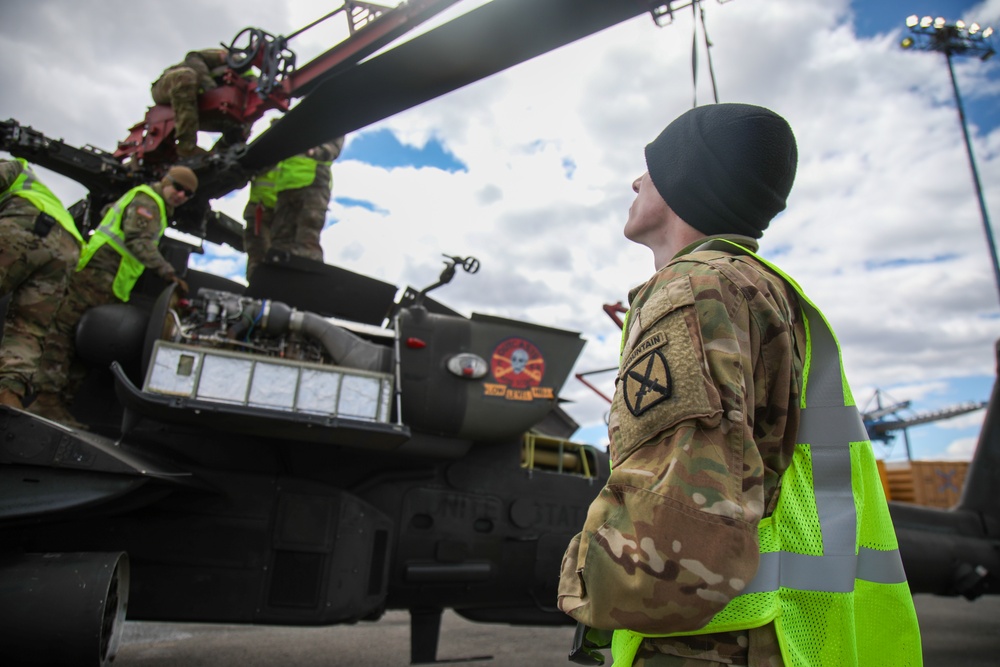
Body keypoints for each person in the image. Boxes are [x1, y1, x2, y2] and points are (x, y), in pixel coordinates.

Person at [557, 103, 921, 666]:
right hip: (781, 634)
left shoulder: (696, 287)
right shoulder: (762, 289)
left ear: (688, 180)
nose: (635, 180)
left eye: (652, 167)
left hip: (709, 643)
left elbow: (676, 523)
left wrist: (581, 586)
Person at [29, 166, 195, 426]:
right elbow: (137, 240)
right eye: (178, 188)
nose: (181, 195)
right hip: (96, 275)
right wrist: (168, 273)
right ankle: (44, 400)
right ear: (165, 181)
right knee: (62, 335)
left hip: (112, 283)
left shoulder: (155, 207)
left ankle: (61, 406)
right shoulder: (147, 201)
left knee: (89, 343)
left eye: (188, 194)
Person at [0, 159, 84, 409]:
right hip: (68, 247)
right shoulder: (36, 186)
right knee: (27, 327)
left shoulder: (12, 165)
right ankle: (9, 397)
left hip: (27, 224)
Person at [267, 137, 345, 266]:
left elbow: (332, 149)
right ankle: (279, 278)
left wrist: (313, 151)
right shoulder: (289, 128)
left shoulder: (327, 122)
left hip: (313, 183)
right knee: (280, 243)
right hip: (285, 187)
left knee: (307, 239)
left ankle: (309, 277)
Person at [151, 49, 229, 157]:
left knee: (238, 123)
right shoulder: (224, 55)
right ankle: (186, 146)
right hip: (168, 85)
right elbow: (192, 57)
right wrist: (210, 88)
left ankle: (220, 156)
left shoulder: (247, 78)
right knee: (185, 76)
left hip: (197, 106)